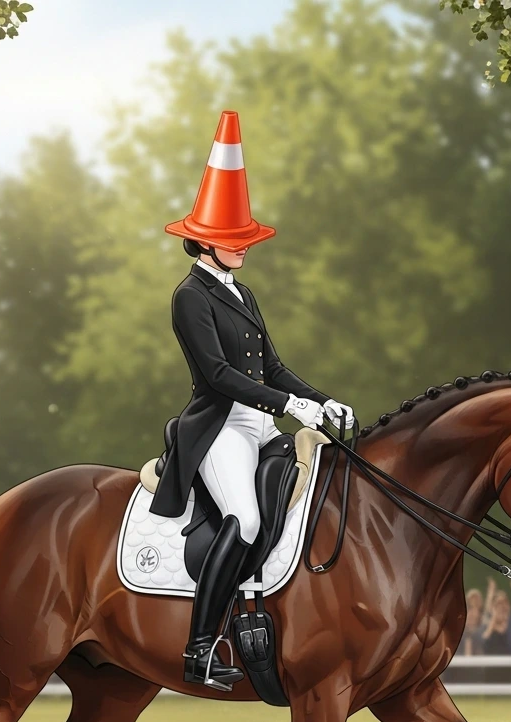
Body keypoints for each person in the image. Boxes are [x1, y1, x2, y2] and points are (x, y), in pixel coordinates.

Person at [151, 111, 354, 689]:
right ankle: (200, 646)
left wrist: (321, 400)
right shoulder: (189, 296)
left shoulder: (243, 292)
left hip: (260, 425)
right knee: (243, 520)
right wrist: (290, 408)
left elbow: (274, 367)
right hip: (219, 429)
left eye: (243, 238)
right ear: (204, 241)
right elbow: (217, 375)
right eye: (230, 239)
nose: (241, 247)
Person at [482, 589, 511, 684]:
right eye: (498, 603)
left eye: (503, 602)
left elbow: (504, 631)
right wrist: (494, 617)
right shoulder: (488, 621)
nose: (501, 606)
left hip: (507, 662)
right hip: (491, 662)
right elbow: (485, 637)